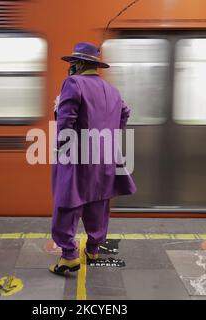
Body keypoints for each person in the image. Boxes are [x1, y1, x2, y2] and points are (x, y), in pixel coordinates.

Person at [49, 42, 137, 275]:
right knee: (98, 202)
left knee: (68, 203)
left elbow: (65, 122)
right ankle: (93, 249)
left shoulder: (73, 83)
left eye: (72, 64)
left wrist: (60, 146)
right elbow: (125, 112)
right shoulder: (112, 90)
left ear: (78, 64)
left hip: (78, 157)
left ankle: (69, 256)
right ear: (94, 65)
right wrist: (109, 137)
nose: (70, 68)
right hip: (105, 157)